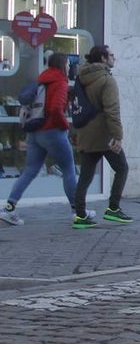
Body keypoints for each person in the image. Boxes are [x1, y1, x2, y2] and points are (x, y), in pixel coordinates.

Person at [0, 53, 78, 226]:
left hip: (34, 131)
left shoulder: (42, 80)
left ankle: (9, 208)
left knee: (30, 170)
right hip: (52, 130)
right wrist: (65, 126)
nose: (68, 67)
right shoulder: (60, 81)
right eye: (67, 64)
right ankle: (78, 212)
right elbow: (56, 108)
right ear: (62, 65)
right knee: (68, 169)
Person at [72, 45, 133, 229]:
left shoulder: (82, 77)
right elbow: (112, 111)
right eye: (112, 55)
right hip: (103, 134)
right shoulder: (106, 80)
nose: (114, 58)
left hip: (85, 131)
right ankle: (113, 208)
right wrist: (117, 136)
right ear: (103, 58)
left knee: (86, 175)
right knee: (122, 168)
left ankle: (80, 215)